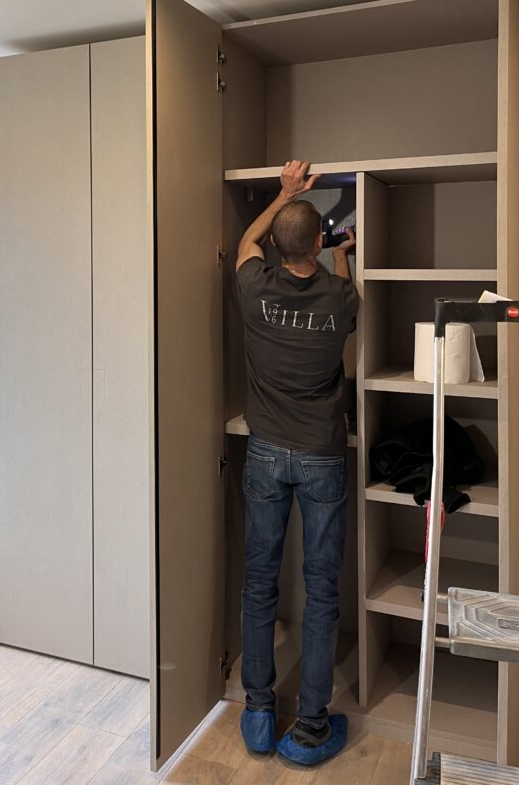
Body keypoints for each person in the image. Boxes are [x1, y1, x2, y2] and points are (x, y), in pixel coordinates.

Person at [235, 160, 358, 766]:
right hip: (321, 457)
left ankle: (258, 712)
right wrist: (343, 252)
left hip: (264, 454)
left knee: (260, 582)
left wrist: (284, 194)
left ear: (279, 250)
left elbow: (246, 241)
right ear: (316, 244)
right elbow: (348, 295)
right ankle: (311, 725)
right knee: (322, 588)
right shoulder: (340, 294)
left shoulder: (254, 287)